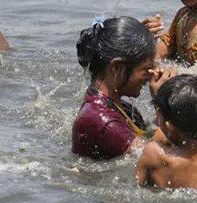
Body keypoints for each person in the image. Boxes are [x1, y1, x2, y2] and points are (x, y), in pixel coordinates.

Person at [72, 16, 174, 160]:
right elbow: (159, 161)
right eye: (146, 69)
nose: (150, 76)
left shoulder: (119, 107)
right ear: (116, 67)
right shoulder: (105, 123)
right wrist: (162, 102)